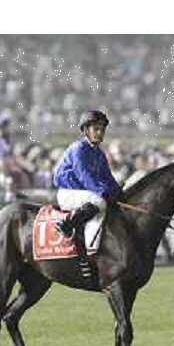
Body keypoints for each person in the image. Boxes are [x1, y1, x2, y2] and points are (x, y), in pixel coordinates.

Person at [53, 110, 122, 262]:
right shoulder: (79, 148)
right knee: (99, 201)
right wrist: (102, 191)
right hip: (68, 192)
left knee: (109, 203)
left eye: (102, 130)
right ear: (85, 130)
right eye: (96, 129)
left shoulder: (99, 154)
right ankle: (67, 225)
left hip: (84, 193)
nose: (100, 132)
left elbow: (107, 177)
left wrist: (119, 192)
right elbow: (84, 175)